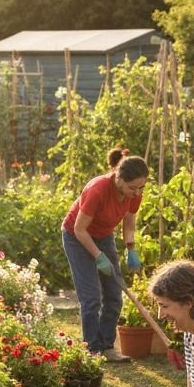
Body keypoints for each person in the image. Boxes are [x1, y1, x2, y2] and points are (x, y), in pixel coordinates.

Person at [61, 149, 148, 362]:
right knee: (91, 297)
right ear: (119, 177)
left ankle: (107, 347)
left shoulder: (134, 194)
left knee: (114, 294)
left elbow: (129, 223)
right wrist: (99, 256)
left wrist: (131, 248)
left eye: (141, 188)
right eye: (132, 188)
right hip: (76, 236)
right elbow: (80, 230)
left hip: (103, 235)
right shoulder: (97, 190)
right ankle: (92, 349)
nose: (137, 193)